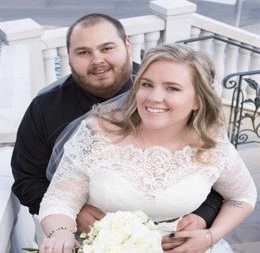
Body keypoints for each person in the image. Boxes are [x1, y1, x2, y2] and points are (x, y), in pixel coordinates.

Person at [11, 13, 222, 247]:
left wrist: (204, 215)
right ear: (68, 57)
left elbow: (218, 168)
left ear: (127, 46)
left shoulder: (167, 95)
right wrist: (70, 216)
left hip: (174, 239)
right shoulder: (45, 107)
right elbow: (27, 178)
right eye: (83, 52)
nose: (97, 60)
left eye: (107, 48)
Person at [38, 44, 256, 253]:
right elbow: (60, 200)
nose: (153, 97)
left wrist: (211, 236)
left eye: (172, 88)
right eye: (147, 84)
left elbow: (242, 197)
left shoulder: (211, 144)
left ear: (197, 100)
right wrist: (61, 233)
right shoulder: (98, 133)